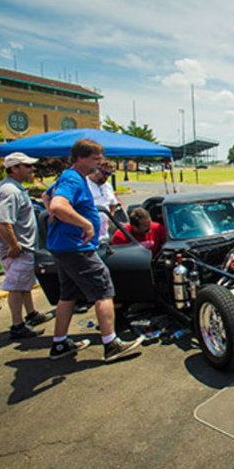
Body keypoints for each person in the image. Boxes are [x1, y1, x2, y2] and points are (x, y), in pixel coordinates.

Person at [47, 139, 143, 362]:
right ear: (81, 158)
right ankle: (111, 344)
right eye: (96, 158)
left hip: (64, 247)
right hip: (77, 247)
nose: (100, 163)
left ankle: (60, 343)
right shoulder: (72, 178)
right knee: (103, 291)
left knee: (67, 295)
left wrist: (57, 217)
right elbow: (57, 205)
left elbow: (47, 197)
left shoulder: (71, 177)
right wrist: (85, 223)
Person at [0, 152, 54, 338]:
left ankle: (31, 313)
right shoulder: (9, 191)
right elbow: (2, 221)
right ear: (14, 168)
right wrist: (13, 245)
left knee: (25, 283)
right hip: (19, 249)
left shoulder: (14, 188)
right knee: (16, 287)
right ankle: (17, 325)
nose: (32, 169)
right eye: (27, 166)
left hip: (24, 246)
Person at [86, 160, 118, 241]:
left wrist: (109, 221)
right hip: (87, 235)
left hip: (103, 235)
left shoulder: (108, 186)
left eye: (109, 174)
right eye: (104, 173)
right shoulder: (85, 184)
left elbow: (112, 205)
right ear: (96, 170)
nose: (106, 176)